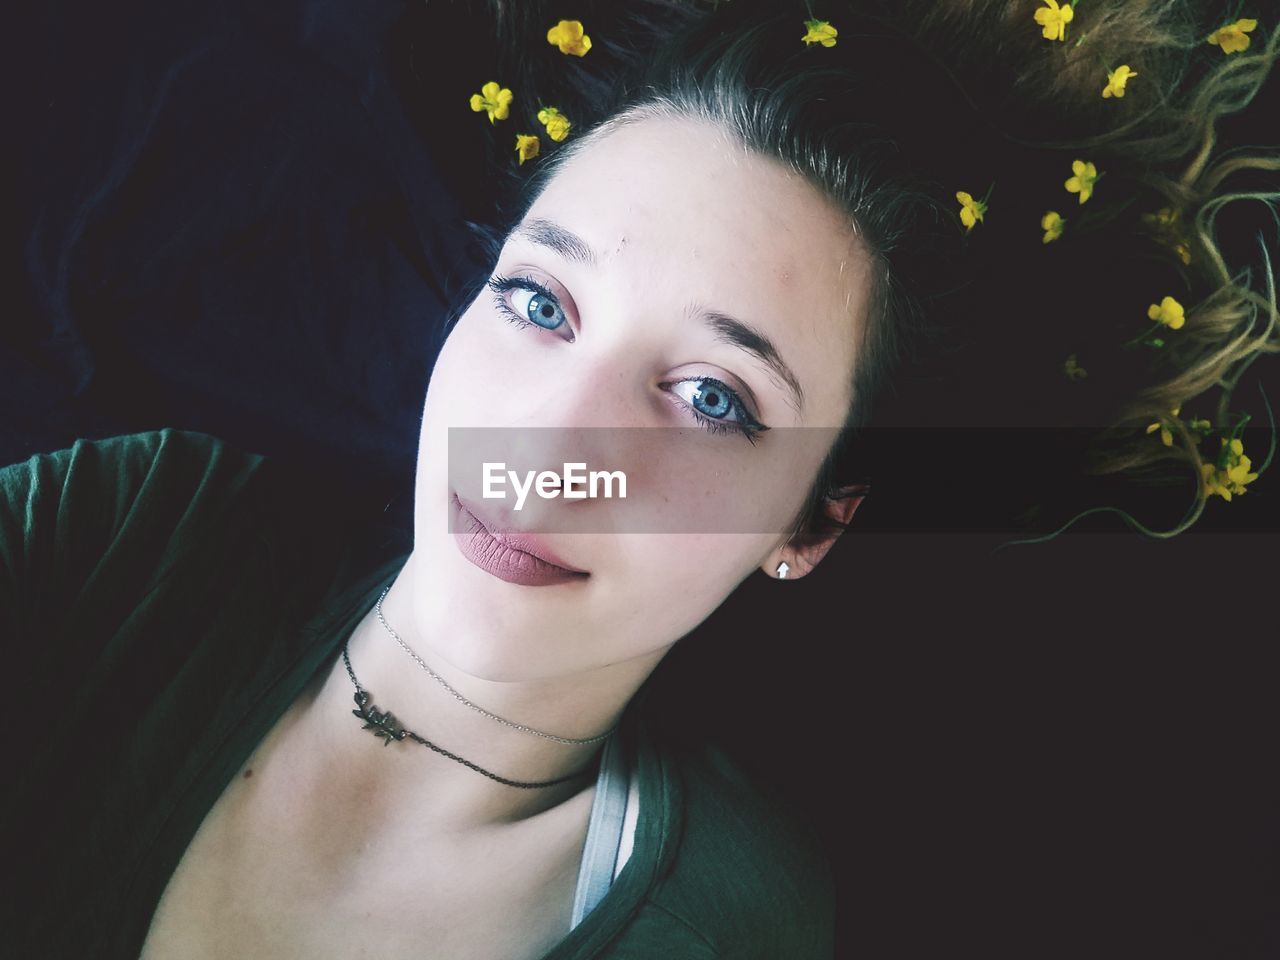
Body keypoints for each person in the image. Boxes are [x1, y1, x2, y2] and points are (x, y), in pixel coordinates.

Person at [3, 2, 1277, 959]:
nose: (551, 448)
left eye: (713, 399)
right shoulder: (139, 522)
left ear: (807, 523)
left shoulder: (710, 926)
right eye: (537, 301)